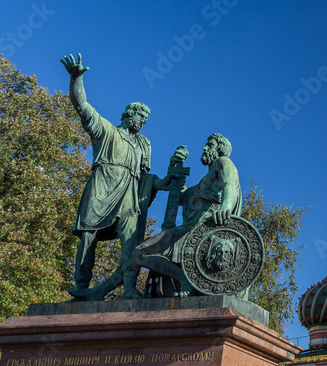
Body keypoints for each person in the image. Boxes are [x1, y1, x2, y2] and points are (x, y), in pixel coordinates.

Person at [61, 53, 170, 298]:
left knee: (131, 240)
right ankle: (82, 288)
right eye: (140, 116)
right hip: (101, 189)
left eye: (145, 119)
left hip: (128, 197)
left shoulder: (143, 144)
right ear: (128, 114)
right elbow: (83, 108)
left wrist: (165, 182)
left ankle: (130, 288)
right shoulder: (107, 131)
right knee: (89, 236)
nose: (142, 121)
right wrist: (76, 79)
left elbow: (145, 180)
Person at [123, 133, 242, 298]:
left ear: (220, 149)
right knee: (139, 254)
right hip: (189, 227)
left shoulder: (223, 162)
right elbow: (180, 198)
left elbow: (230, 183)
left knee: (139, 254)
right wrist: (175, 171)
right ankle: (184, 279)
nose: (204, 148)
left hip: (202, 228)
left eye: (210, 145)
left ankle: (185, 281)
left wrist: (226, 207)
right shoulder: (205, 181)